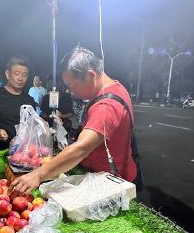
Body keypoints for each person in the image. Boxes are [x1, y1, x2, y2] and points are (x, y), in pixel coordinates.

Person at [10, 46, 137, 196]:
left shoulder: (107, 106)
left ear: (90, 76)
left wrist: (37, 175)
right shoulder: (115, 88)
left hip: (109, 184)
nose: (71, 91)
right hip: (104, 174)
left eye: (72, 85)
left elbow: (81, 149)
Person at [0, 56, 36, 151]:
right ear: (7, 74)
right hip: (0, 154)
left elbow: (32, 125)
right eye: (16, 74)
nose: (20, 78)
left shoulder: (29, 100)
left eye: (24, 75)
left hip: (24, 155)